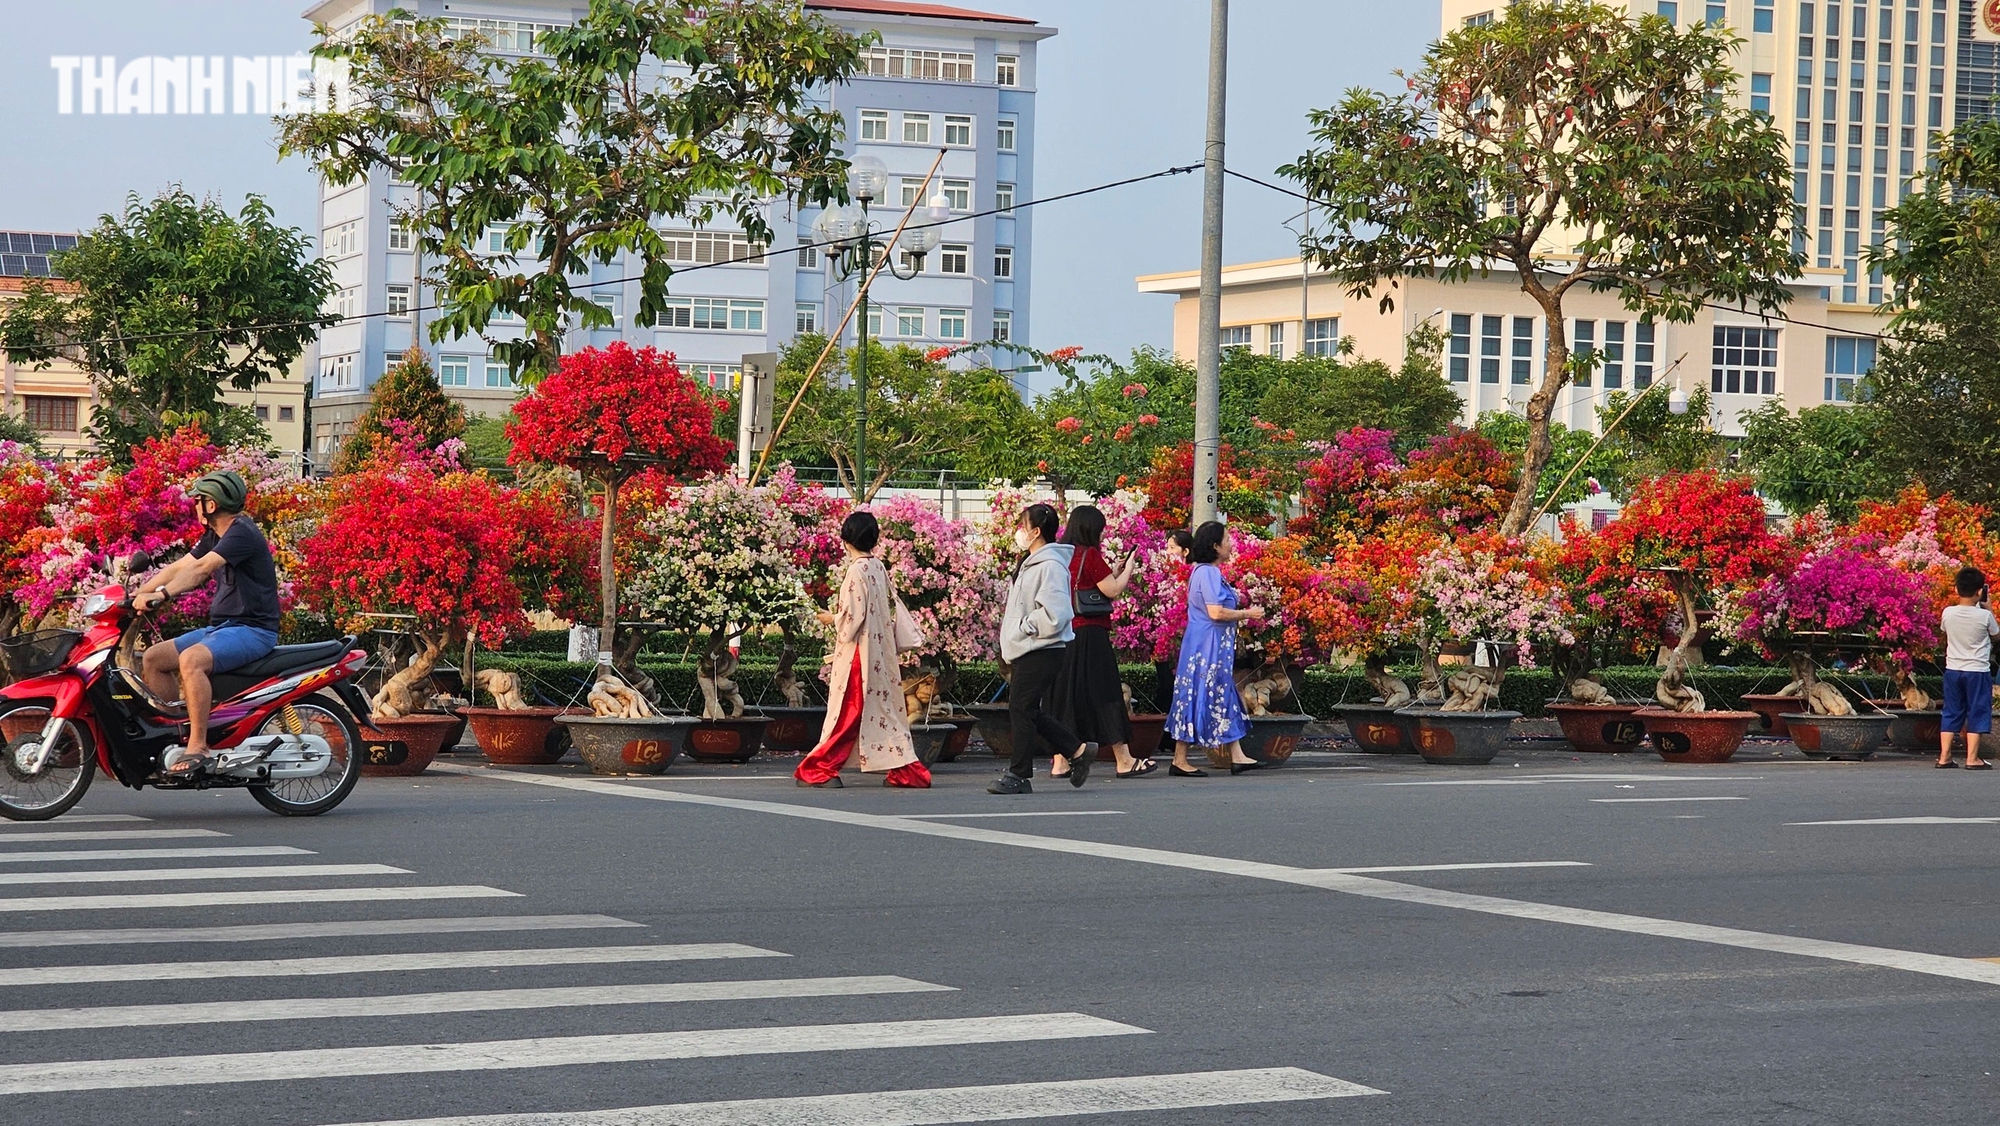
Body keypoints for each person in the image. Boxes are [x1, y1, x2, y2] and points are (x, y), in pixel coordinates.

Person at [135, 470, 281, 776]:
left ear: (211, 505)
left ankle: (198, 746)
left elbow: (201, 569)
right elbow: (180, 566)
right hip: (226, 627)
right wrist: (139, 592)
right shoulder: (217, 534)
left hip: (253, 630)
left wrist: (161, 595)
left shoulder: (241, 532)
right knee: (155, 658)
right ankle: (170, 735)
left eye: (198, 500)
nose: (195, 506)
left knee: (191, 660)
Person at [795, 511, 931, 789]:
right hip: (881, 651)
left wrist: (830, 618)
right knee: (885, 713)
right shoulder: (878, 567)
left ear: (846, 539)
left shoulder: (856, 571)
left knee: (847, 712)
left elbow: (850, 621)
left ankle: (821, 767)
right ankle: (906, 769)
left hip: (859, 655)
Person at [990, 503, 1099, 795]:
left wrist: (1024, 627)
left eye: (1023, 526)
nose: (1019, 532)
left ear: (1036, 532)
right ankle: (1077, 751)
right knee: (1027, 709)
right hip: (1032, 647)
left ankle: (1019, 775)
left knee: (1021, 708)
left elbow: (1057, 612)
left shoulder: (1049, 565)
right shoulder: (1036, 562)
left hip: (1041, 648)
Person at [1048, 505, 1156, 780]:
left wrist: (1113, 570)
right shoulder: (1090, 554)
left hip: (1064, 633)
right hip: (1091, 634)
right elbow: (1112, 590)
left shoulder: (1061, 555)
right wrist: (1128, 569)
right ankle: (1124, 759)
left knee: (1068, 695)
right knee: (1106, 694)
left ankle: (1060, 760)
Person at [1166, 521, 1266, 778]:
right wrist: (1247, 613)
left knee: (1219, 693)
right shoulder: (1208, 573)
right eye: (1227, 539)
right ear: (1215, 546)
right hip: (1208, 647)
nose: (1231, 543)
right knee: (1203, 694)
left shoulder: (1202, 571)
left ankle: (1237, 755)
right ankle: (1180, 758)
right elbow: (1215, 612)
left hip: (1206, 645)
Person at [1938, 566, 1998, 770]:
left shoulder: (1948, 612)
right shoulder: (1984, 616)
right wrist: (1988, 608)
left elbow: (1944, 629)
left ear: (1956, 589)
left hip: (1953, 669)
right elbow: (1996, 635)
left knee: (1951, 711)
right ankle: (1972, 758)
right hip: (1978, 670)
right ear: (1980, 592)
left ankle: (1944, 756)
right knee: (1977, 711)